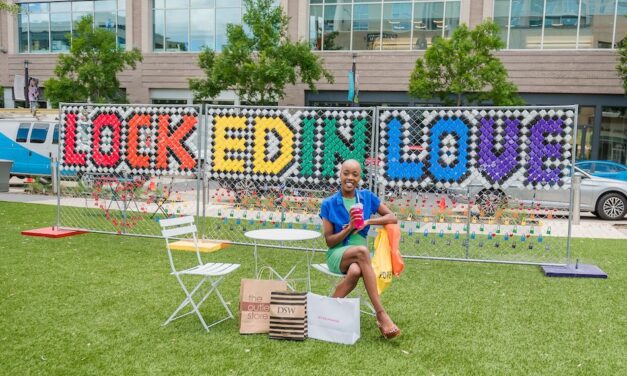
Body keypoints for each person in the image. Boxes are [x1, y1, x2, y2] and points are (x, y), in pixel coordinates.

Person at [319, 159, 401, 339]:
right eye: (346, 173)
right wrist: (348, 228)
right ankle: (381, 314)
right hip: (338, 255)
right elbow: (330, 242)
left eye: (355, 174)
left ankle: (325, 310)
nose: (350, 178)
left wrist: (369, 221)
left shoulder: (367, 197)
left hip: (358, 259)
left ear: (360, 178)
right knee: (363, 252)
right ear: (340, 175)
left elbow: (392, 217)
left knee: (356, 270)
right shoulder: (329, 204)